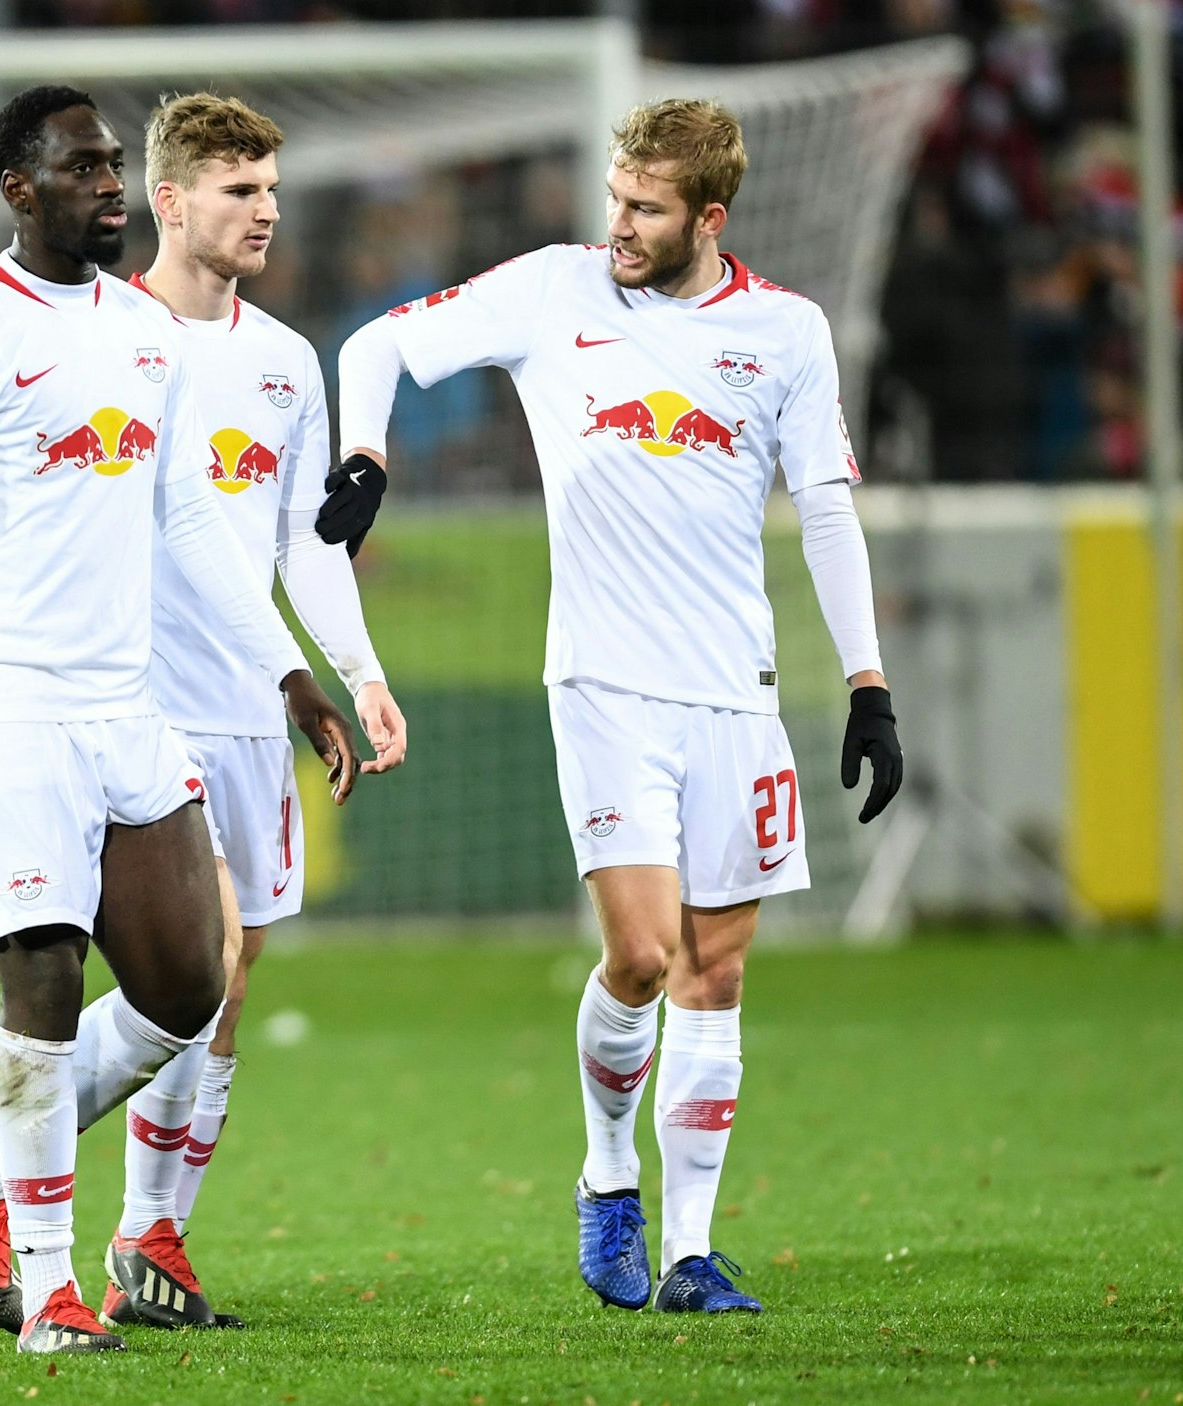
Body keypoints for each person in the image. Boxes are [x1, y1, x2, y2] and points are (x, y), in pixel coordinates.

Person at [322, 98, 902, 1315]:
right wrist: (366, 456)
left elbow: (829, 508)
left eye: (645, 209)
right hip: (599, 680)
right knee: (639, 954)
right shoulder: (552, 289)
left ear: (709, 215)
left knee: (719, 967)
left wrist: (865, 683)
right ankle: (604, 1178)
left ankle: (689, 1250)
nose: (619, 227)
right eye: (614, 200)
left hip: (731, 691)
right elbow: (375, 344)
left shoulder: (785, 332)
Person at [0, 84, 357, 1355]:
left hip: (125, 705)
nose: (112, 186)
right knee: (44, 978)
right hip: (4, 706)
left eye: (116, 165)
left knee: (192, 978)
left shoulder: (142, 331)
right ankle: (47, 1288)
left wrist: (285, 671)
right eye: (84, 169)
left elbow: (187, 514)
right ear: (21, 190)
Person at [92, 92, 408, 1331]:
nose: (265, 208)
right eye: (237, 188)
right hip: (126, 703)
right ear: (169, 201)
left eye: (271, 188)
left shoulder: (284, 361)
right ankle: (20, 1190)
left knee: (226, 978)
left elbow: (302, 541)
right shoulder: (100, 337)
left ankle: (146, 1233)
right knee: (184, 959)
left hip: (247, 704)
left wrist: (359, 670)